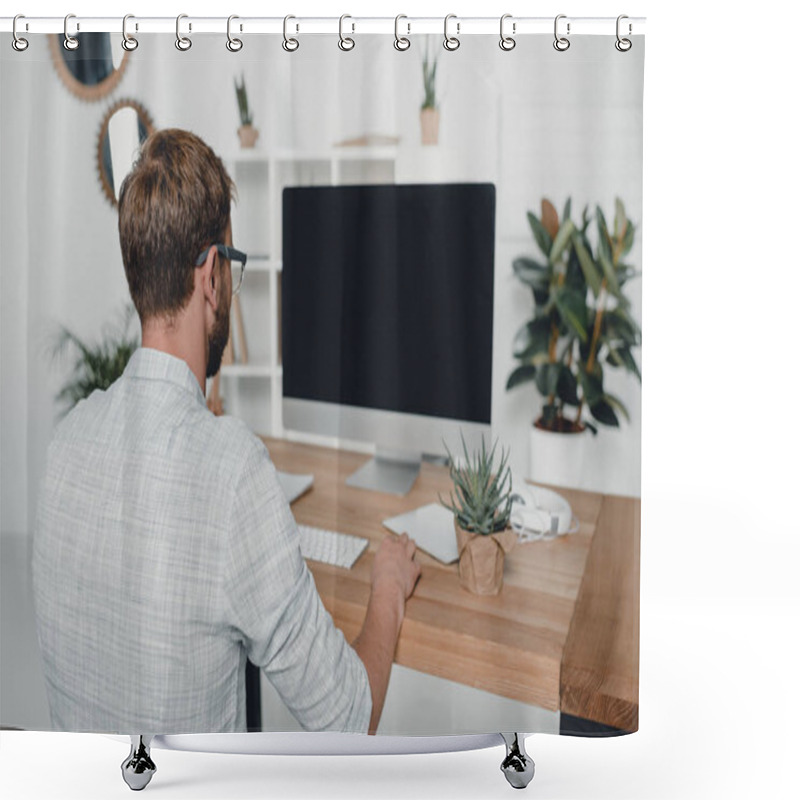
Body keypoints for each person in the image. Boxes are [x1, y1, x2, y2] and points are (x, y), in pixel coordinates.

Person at [32, 128, 420, 735]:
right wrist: (390, 588)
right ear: (212, 274)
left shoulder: (65, 445)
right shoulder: (233, 470)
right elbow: (347, 716)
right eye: (230, 267)